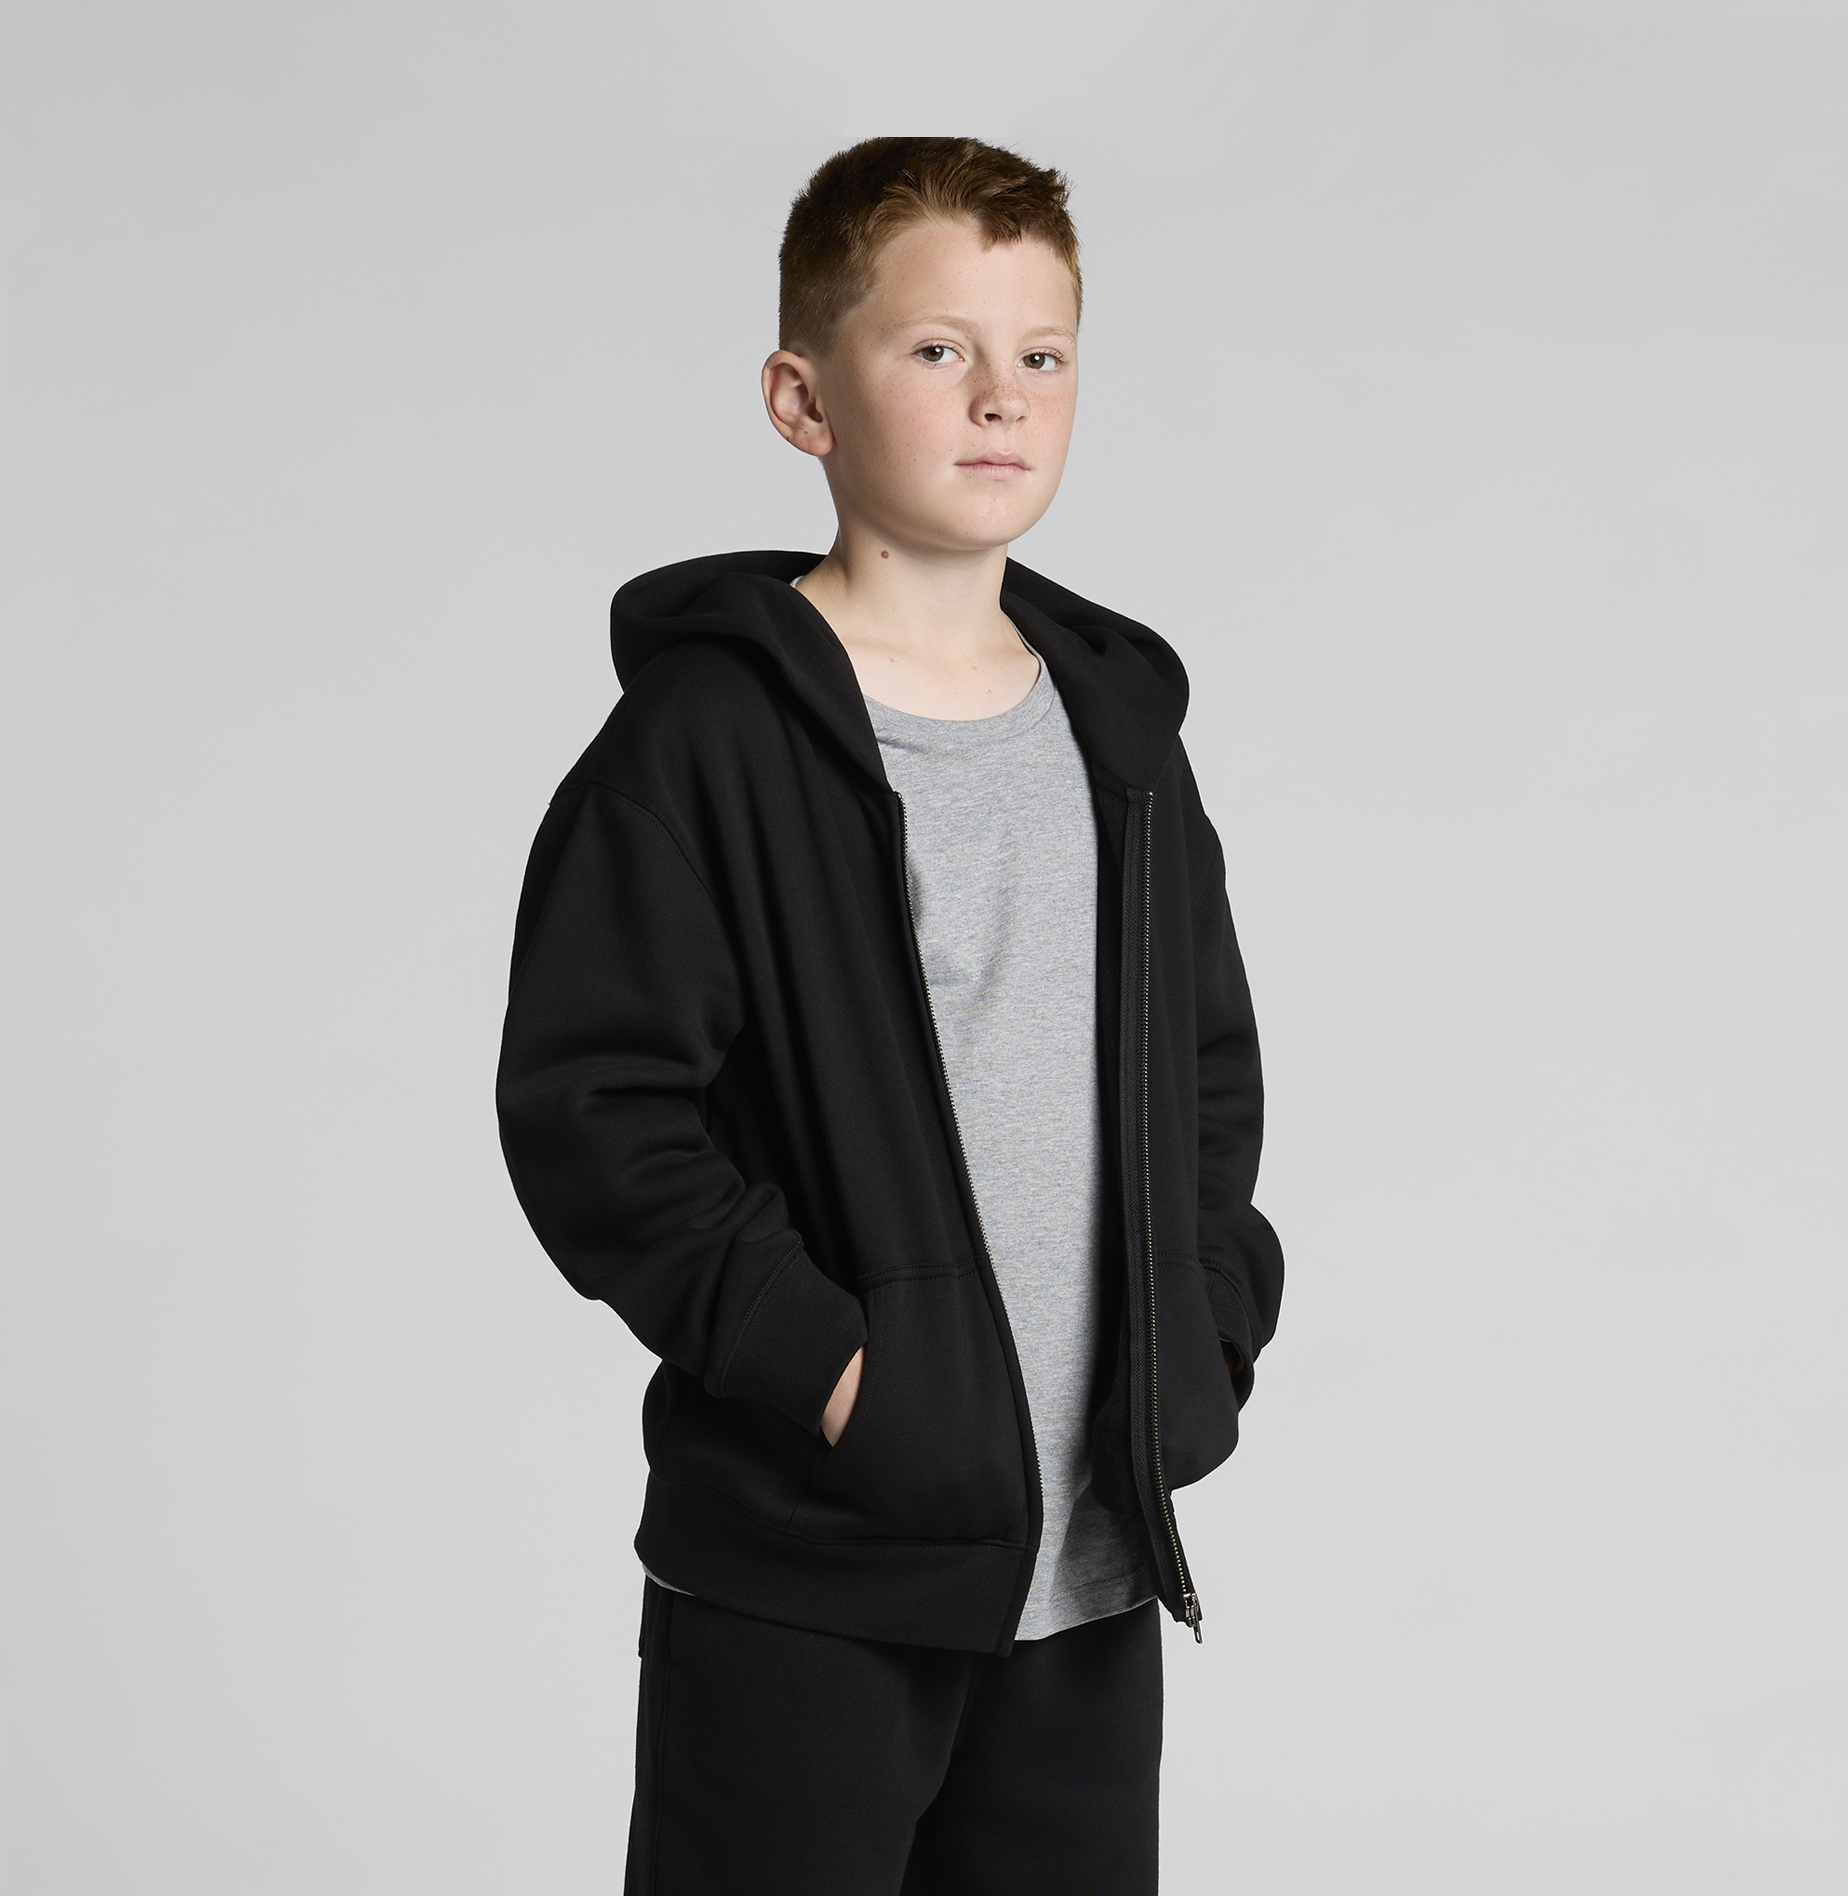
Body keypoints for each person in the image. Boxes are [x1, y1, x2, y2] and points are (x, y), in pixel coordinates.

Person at [495, 135, 1284, 1895]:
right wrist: (838, 1375)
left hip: (1086, 1565)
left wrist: (1202, 1328)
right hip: (811, 1566)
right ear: (804, 398)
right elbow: (597, 1112)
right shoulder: (706, 743)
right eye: (937, 348)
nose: (1002, 396)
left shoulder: (1121, 736)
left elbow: (1206, 1075)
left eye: (1042, 354)